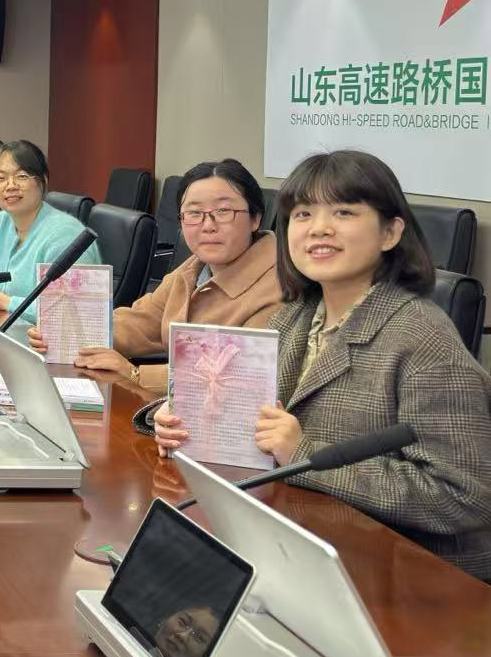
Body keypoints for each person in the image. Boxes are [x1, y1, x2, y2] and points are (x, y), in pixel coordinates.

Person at [156, 150, 491, 579]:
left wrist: (302, 452)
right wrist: (179, 416)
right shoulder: (294, 316)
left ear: (391, 232)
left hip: (409, 576)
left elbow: (464, 496)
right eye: (303, 214)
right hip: (306, 545)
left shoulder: (422, 337)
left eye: (344, 212)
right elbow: (247, 413)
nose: (319, 228)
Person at [32, 158, 281, 388]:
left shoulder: (279, 288)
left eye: (223, 211)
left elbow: (236, 377)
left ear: (255, 219)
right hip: (170, 410)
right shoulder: (193, 269)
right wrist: (65, 332)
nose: (208, 225)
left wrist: (136, 375)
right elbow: (141, 321)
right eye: (194, 213)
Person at [0, 139, 101, 312]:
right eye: (0, 178)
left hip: (43, 330)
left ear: (43, 181)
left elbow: (74, 310)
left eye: (22, 176)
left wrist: (7, 302)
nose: (10, 186)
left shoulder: (66, 236)